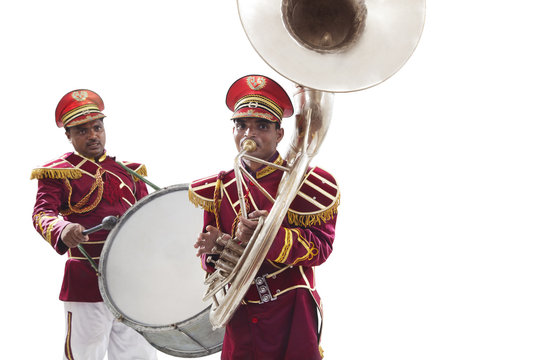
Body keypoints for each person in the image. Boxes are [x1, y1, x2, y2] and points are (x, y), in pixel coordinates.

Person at [189, 75, 340, 359]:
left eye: (262, 126)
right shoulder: (219, 187)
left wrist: (267, 235)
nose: (249, 133)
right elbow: (210, 260)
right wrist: (215, 250)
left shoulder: (308, 183)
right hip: (241, 311)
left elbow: (321, 249)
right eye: (241, 124)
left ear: (279, 134)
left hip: (291, 311)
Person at [31, 89, 157, 360]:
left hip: (130, 280)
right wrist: (64, 229)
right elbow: (41, 214)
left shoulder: (130, 171)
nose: (92, 136)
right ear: (69, 136)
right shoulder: (58, 172)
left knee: (139, 355)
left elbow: (148, 220)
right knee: (85, 354)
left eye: (97, 128)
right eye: (82, 131)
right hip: (86, 278)